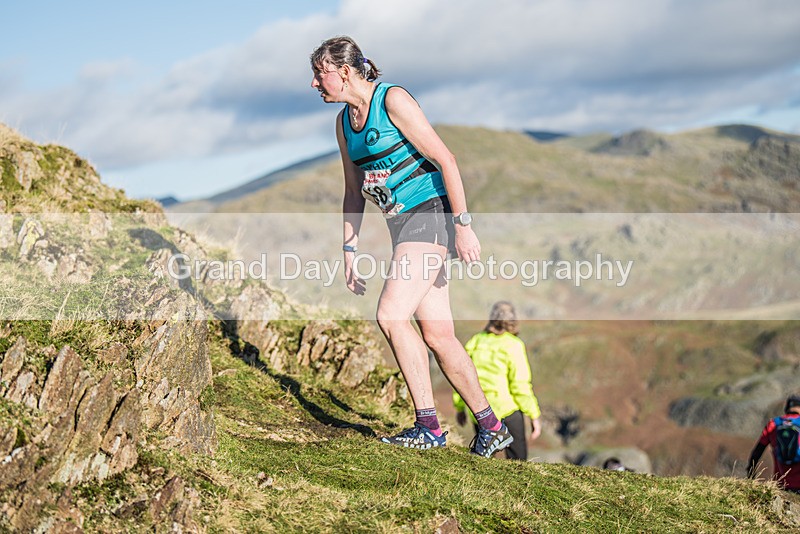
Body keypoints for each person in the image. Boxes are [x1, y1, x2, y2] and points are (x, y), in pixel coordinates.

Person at [310, 36, 513, 457]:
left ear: (344, 72)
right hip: (403, 228)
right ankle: (491, 427)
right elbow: (352, 191)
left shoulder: (393, 100)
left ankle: (428, 426)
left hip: (431, 216)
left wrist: (464, 226)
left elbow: (447, 160)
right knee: (438, 335)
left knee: (390, 314)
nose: (315, 83)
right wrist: (349, 253)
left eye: (320, 73)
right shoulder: (344, 123)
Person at [453, 301, 542, 460]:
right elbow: (520, 385)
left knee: (484, 458)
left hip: (479, 409)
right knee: (518, 461)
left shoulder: (476, 341)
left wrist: (460, 407)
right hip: (508, 410)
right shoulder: (514, 345)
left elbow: (462, 375)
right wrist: (534, 415)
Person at [747, 394, 800, 494]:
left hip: (781, 485)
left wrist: (751, 475)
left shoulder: (774, 424)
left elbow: (757, 452)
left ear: (787, 408)